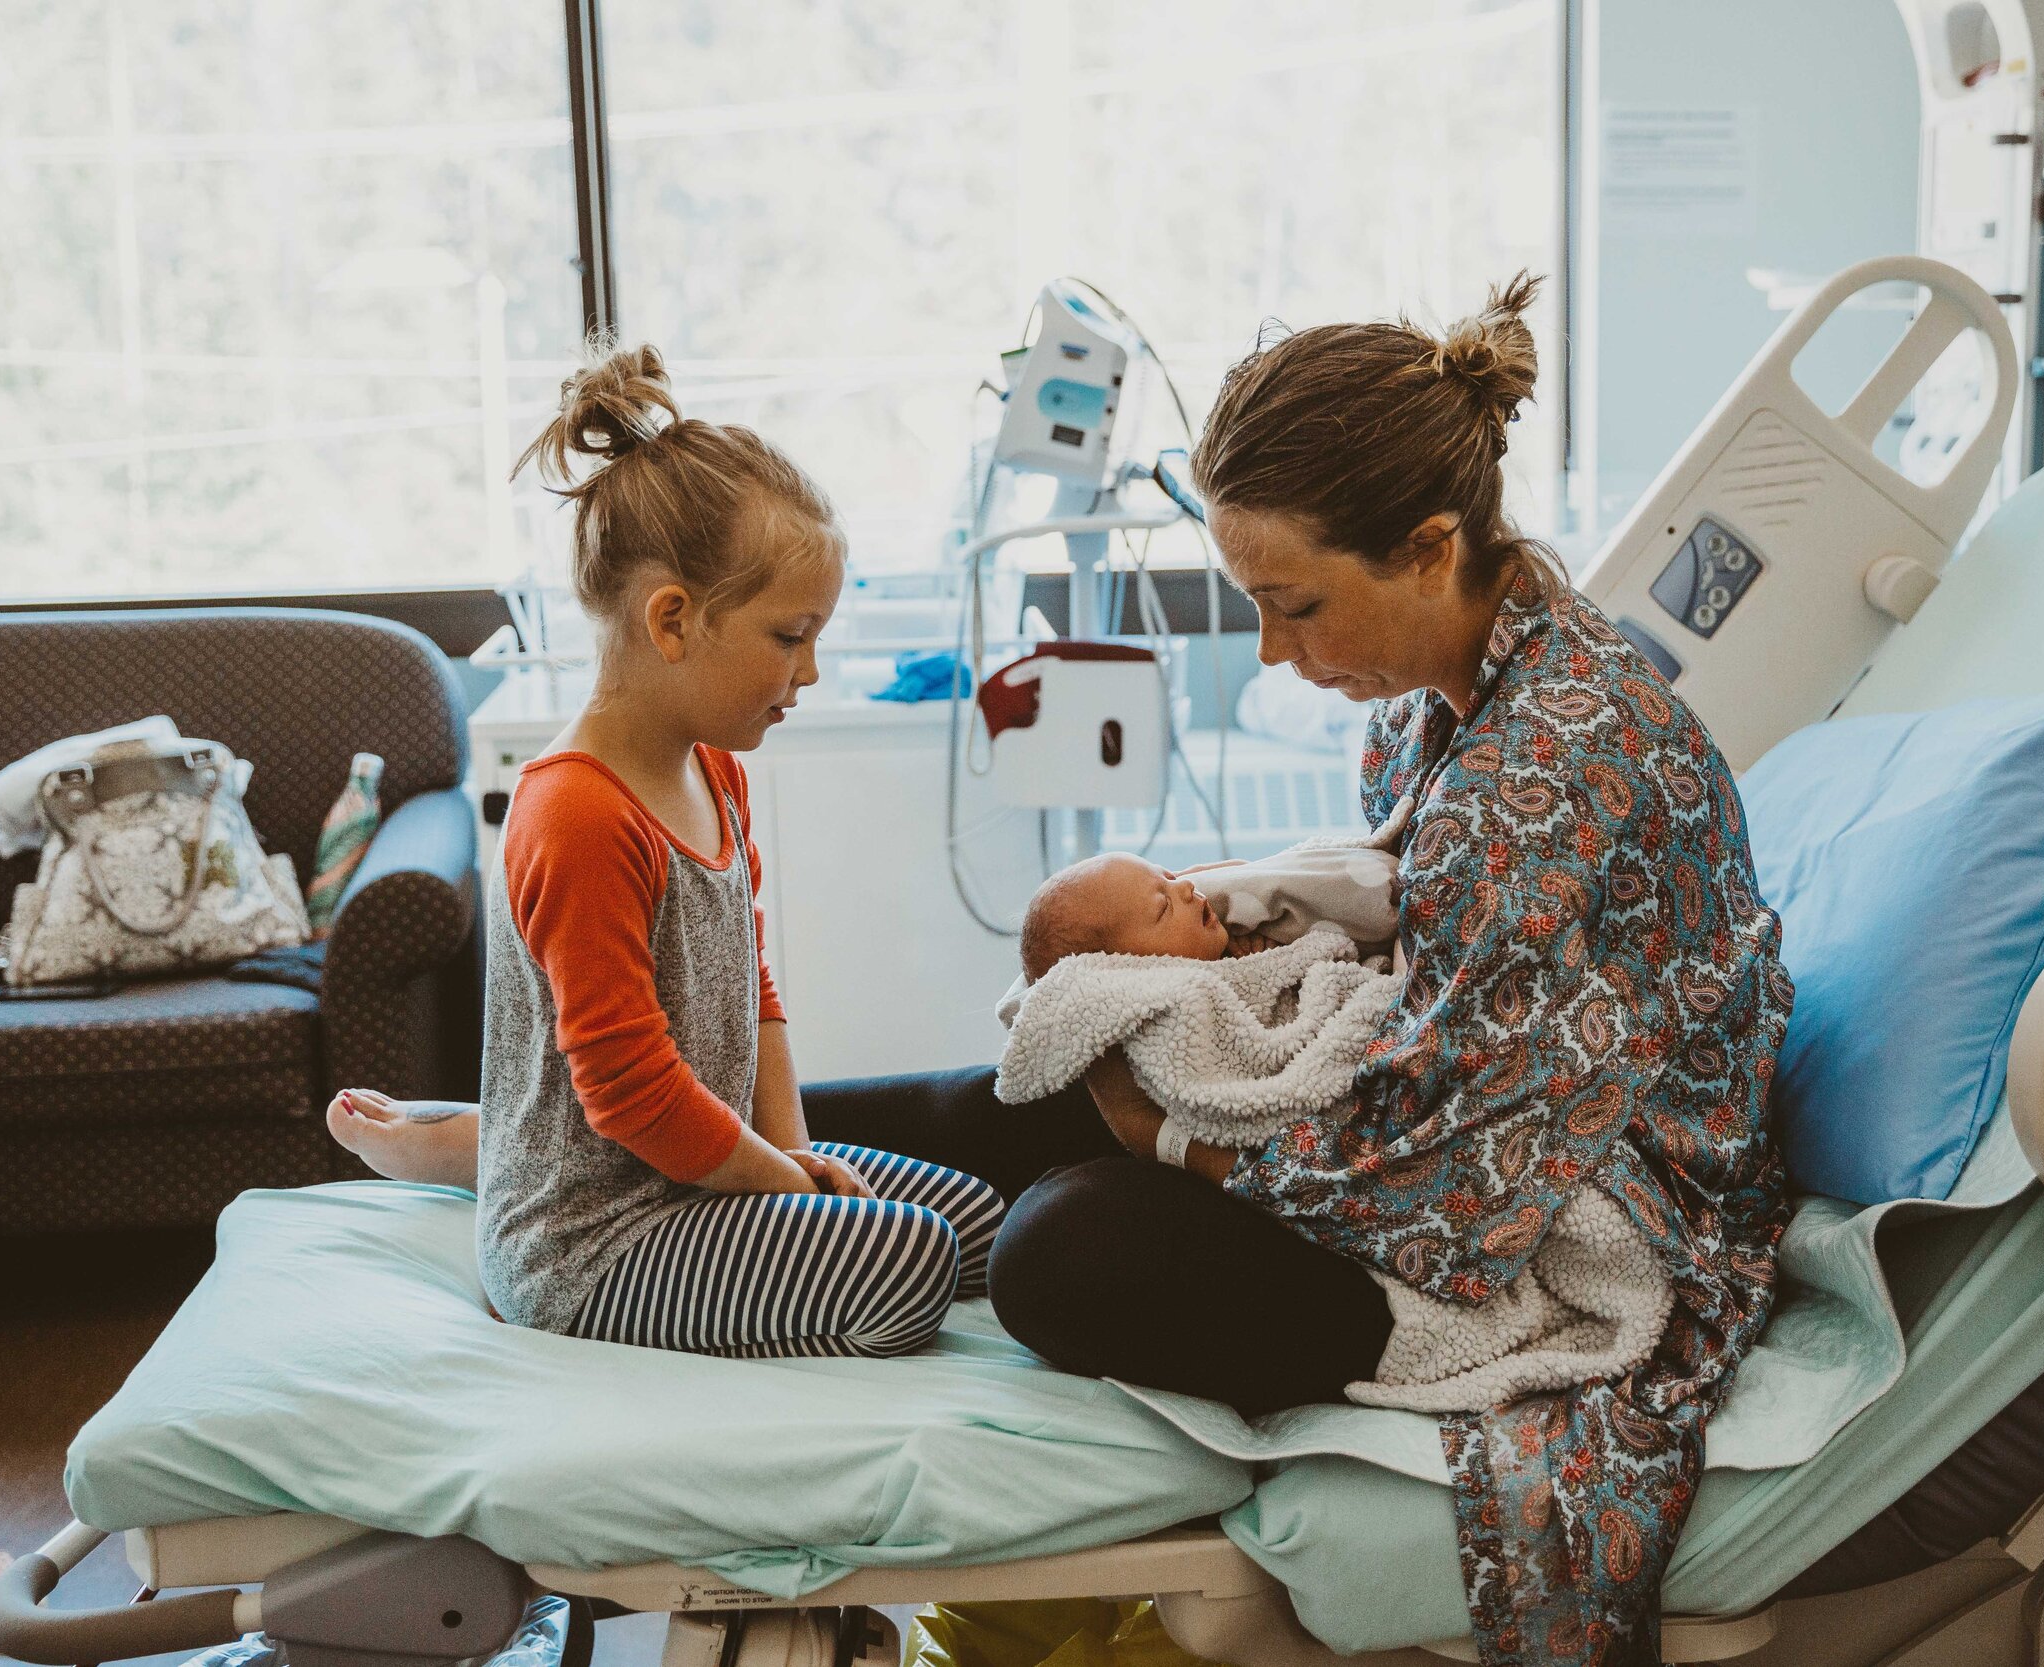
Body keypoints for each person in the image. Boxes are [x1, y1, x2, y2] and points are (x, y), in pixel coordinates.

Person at [987, 275, 1792, 1667]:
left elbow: (1459, 1186)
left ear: (1429, 546)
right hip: (1439, 1110)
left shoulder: (1546, 774)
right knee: (1028, 1065)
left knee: (1062, 1242)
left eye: (1294, 604)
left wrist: (1179, 1138)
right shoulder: (1452, 688)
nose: (1276, 650)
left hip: (1565, 1222)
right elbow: (1409, 974)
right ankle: (716, 1193)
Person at [414, 339, 1006, 1363]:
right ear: (674, 620)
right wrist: (787, 1194)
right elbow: (630, 1087)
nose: (810, 669)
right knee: (907, 1265)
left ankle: (468, 1141)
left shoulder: (715, 771)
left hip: (702, 1173)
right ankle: (471, 1155)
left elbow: (754, 986)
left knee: (986, 1225)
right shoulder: (577, 814)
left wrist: (793, 1153)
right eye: (789, 635)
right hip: (597, 1236)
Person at [1016, 842, 1397, 980]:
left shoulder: (1226, 938)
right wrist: (1278, 972)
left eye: (1166, 874)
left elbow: (1261, 875)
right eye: (1163, 905)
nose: (1184, 886)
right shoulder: (1189, 1000)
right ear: (1130, 968)